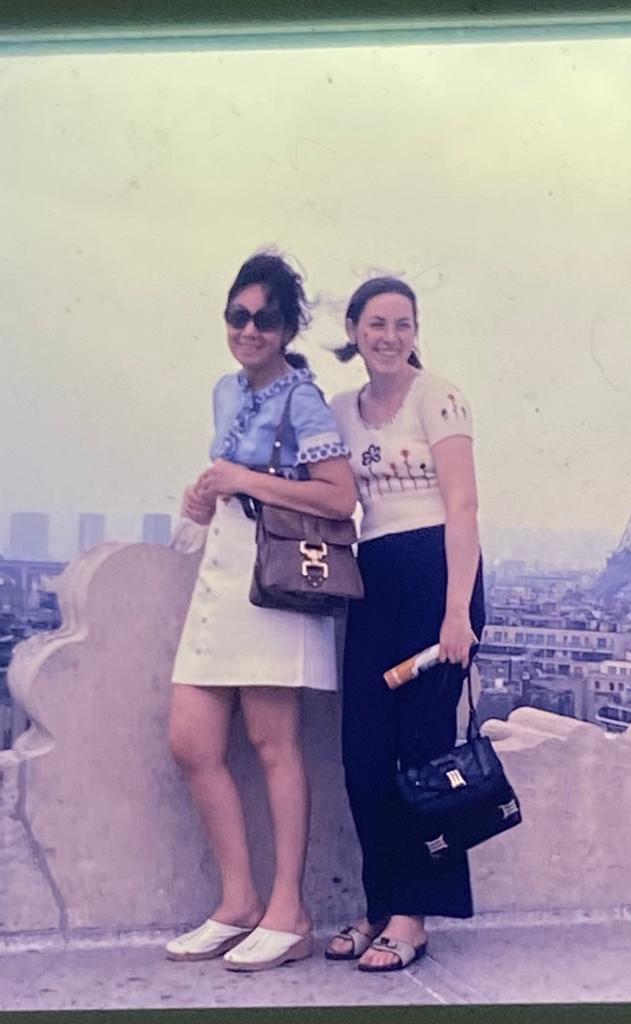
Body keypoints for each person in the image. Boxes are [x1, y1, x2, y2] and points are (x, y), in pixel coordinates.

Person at [164, 251, 357, 972]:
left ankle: (289, 911)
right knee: (191, 740)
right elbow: (227, 483)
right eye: (237, 316)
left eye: (265, 320)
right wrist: (204, 494)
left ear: (287, 329)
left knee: (275, 743)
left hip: (276, 582)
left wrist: (244, 479)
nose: (249, 331)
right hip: (221, 577)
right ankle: (238, 900)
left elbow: (340, 497)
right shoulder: (225, 391)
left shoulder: (302, 398)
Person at [326, 277, 485, 972]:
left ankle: (412, 916)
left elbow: (463, 507)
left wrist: (457, 610)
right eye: (377, 324)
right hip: (374, 580)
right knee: (364, 756)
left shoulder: (438, 397)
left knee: (423, 755)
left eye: (403, 324)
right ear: (354, 330)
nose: (390, 337)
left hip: (435, 579)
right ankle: (378, 904)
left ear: (416, 332)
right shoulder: (341, 409)